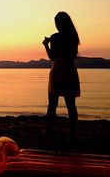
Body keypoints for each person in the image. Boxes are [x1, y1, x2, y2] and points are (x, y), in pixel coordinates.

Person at [42, 11, 80, 139]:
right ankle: (73, 134)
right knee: (71, 104)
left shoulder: (56, 37)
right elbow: (72, 55)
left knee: (52, 103)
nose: (56, 25)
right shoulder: (74, 37)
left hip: (58, 70)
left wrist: (46, 45)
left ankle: (48, 131)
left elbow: (52, 57)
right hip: (70, 70)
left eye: (57, 23)